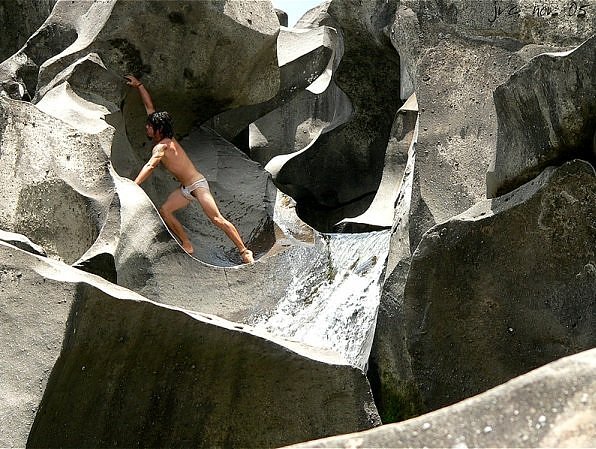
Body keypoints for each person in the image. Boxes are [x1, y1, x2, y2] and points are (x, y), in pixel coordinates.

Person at [125, 75, 254, 264]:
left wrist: (135, 184)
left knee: (217, 219)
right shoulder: (165, 138)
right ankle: (187, 243)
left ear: (158, 129)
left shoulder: (163, 146)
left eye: (149, 126)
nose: (146, 127)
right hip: (185, 189)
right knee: (165, 210)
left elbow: (151, 165)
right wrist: (140, 86)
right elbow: (150, 108)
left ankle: (244, 251)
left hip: (198, 185)